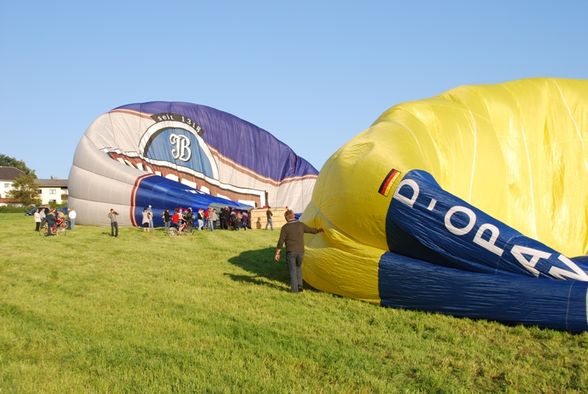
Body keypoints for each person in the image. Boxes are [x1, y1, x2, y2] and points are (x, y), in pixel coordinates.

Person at [274, 209, 323, 293]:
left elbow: (281, 241)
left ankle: (294, 290)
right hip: (301, 251)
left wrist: (277, 253)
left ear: (286, 218)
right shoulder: (301, 225)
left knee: (292, 271)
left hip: (291, 252)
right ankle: (300, 287)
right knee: (298, 268)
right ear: (293, 216)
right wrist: (319, 230)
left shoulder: (285, 228)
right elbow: (311, 230)